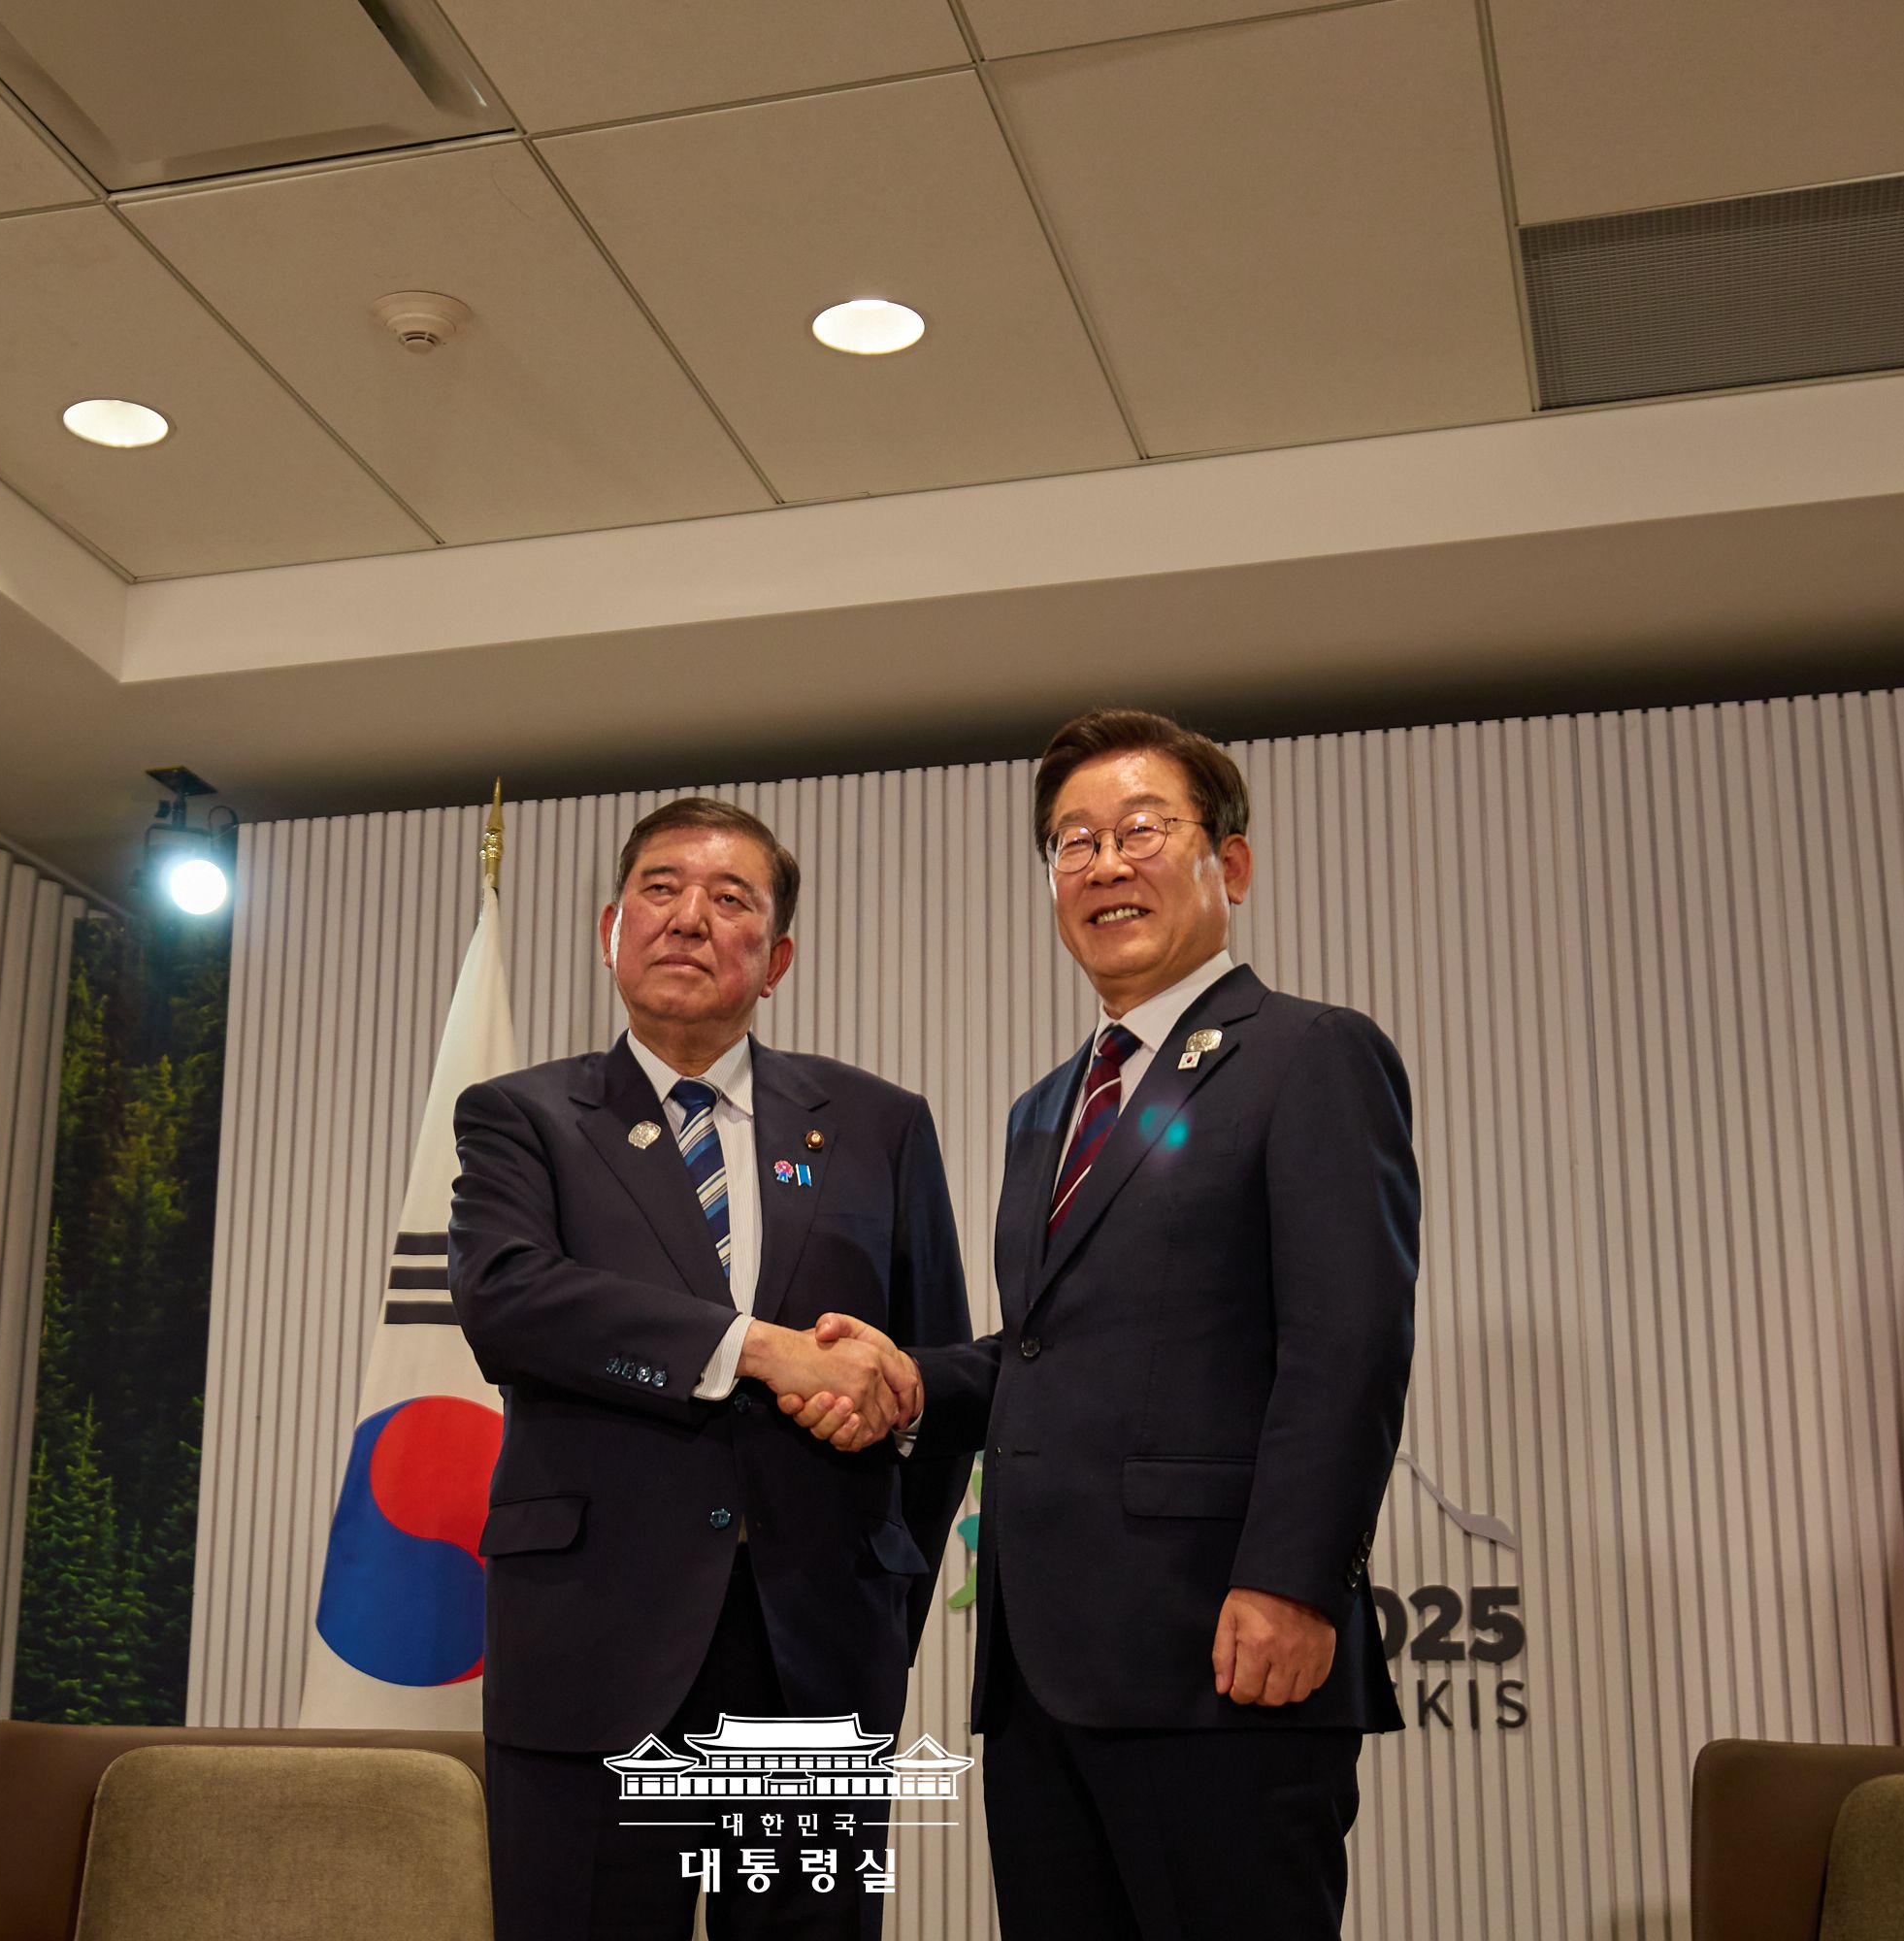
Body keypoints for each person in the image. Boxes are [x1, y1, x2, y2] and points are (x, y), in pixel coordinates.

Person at [781, 709, 1419, 1939]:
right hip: (1041, 1669)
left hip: (1219, 1652)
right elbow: (1046, 1350)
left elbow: (1349, 1343)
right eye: (1073, 842)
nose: (1104, 863)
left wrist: (1293, 1582)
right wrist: (906, 1375)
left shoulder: (1310, 1054)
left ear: (1231, 863)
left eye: (1141, 829)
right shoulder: (1045, 1108)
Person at [450, 795, 966, 1941]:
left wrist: (887, 1588)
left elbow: (932, 1378)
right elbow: (509, 1300)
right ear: (610, 929)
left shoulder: (878, 1125)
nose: (688, 916)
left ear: (776, 958)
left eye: (731, 899)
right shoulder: (522, 1116)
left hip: (813, 1650)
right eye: (660, 888)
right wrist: (759, 1349)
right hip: (591, 1643)